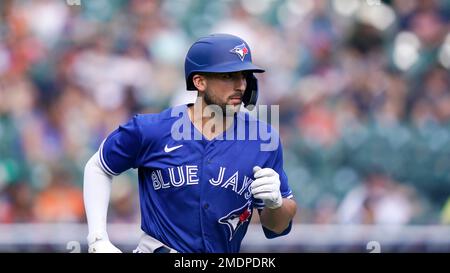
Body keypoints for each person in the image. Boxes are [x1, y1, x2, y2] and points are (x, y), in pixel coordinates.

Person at [83, 33, 297, 253]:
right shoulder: (153, 129)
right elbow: (99, 166)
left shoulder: (262, 139)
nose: (240, 85)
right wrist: (98, 238)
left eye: (244, 76)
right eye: (228, 76)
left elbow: (277, 228)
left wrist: (276, 204)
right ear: (199, 81)